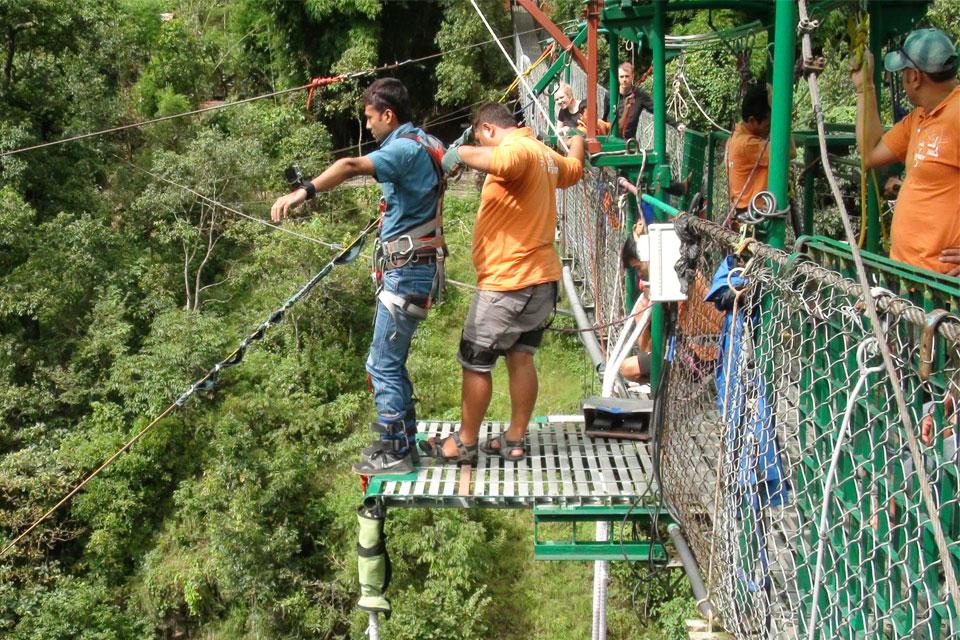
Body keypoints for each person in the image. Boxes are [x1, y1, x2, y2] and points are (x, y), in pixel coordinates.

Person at [270, 78, 445, 475]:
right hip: (416, 268)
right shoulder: (429, 143)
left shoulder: (401, 149)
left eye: (369, 119)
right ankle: (405, 443)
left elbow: (350, 166)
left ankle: (396, 452)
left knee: (380, 365)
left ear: (389, 114)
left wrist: (304, 191)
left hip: (406, 274)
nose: (367, 127)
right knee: (391, 363)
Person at [420, 103, 585, 462]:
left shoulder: (517, 149)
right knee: (520, 357)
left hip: (510, 281)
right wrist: (579, 137)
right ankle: (514, 438)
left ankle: (464, 443)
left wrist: (459, 152)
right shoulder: (543, 153)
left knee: (475, 358)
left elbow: (506, 162)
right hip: (541, 278)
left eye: (482, 137)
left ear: (489, 130)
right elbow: (573, 169)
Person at [851, 28, 960, 276]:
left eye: (902, 73)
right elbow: (870, 154)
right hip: (907, 275)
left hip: (942, 286)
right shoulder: (920, 118)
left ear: (914, 77)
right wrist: (864, 88)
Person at [726, 83, 773, 215]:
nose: (770, 128)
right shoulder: (749, 145)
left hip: (744, 210)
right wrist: (781, 114)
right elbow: (789, 152)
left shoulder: (736, 136)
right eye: (769, 124)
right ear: (752, 120)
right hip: (755, 213)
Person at [603, 61, 678, 140]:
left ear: (632, 76)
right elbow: (604, 118)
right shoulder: (610, 95)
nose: (624, 79)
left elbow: (657, 110)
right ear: (618, 77)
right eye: (621, 77)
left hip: (629, 141)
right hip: (610, 138)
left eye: (627, 76)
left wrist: (676, 124)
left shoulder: (639, 95)